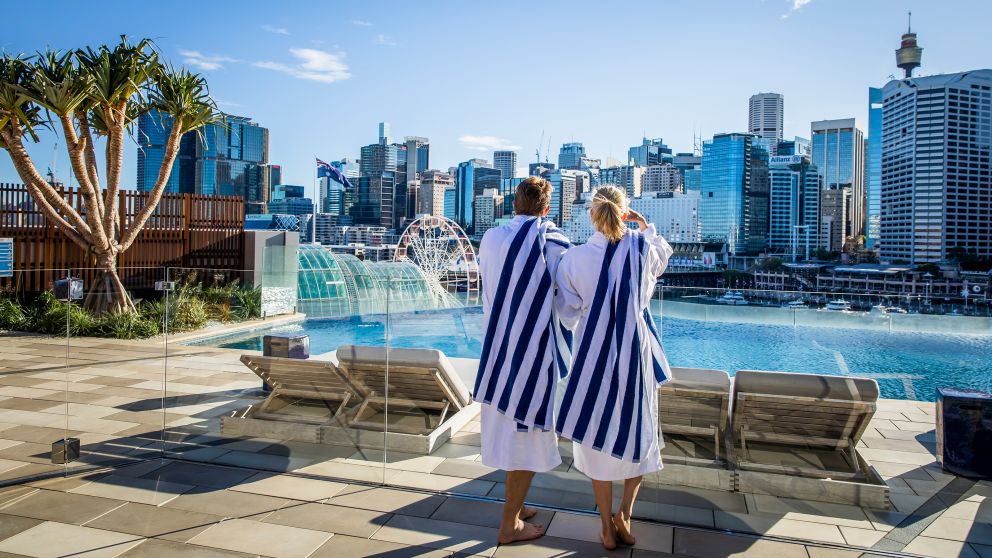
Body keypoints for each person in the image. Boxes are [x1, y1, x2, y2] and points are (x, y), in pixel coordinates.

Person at [554, 185, 673, 550]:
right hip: (635, 356)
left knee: (594, 439)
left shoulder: (575, 259)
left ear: (592, 213)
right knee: (640, 432)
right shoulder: (641, 249)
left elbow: (568, 313)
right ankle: (626, 514)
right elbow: (662, 255)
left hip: (593, 357)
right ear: (626, 212)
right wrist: (645, 225)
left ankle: (606, 526)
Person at [473, 176, 572, 544]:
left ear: (514, 204)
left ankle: (518, 506)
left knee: (510, 433)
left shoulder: (491, 239)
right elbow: (567, 303)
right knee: (526, 437)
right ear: (547, 209)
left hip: (497, 353)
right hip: (533, 357)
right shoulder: (555, 244)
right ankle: (509, 524)